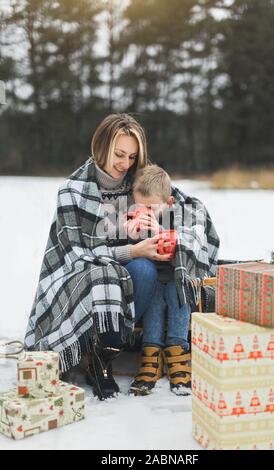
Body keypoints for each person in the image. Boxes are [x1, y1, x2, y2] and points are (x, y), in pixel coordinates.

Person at [24, 113, 171, 401]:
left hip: (123, 270)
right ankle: (94, 351)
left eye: (131, 156)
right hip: (80, 272)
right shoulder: (72, 190)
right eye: (119, 154)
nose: (124, 164)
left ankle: (110, 345)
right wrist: (132, 250)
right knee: (105, 273)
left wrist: (164, 219)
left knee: (144, 270)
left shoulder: (138, 182)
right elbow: (78, 254)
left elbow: (185, 208)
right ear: (101, 147)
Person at [125, 165, 218, 396]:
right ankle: (150, 355)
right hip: (154, 279)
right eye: (139, 205)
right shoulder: (135, 217)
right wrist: (130, 231)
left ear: (168, 202)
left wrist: (160, 231)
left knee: (180, 301)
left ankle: (178, 355)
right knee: (153, 308)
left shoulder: (182, 213)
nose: (143, 211)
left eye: (149, 207)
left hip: (179, 278)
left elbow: (192, 243)